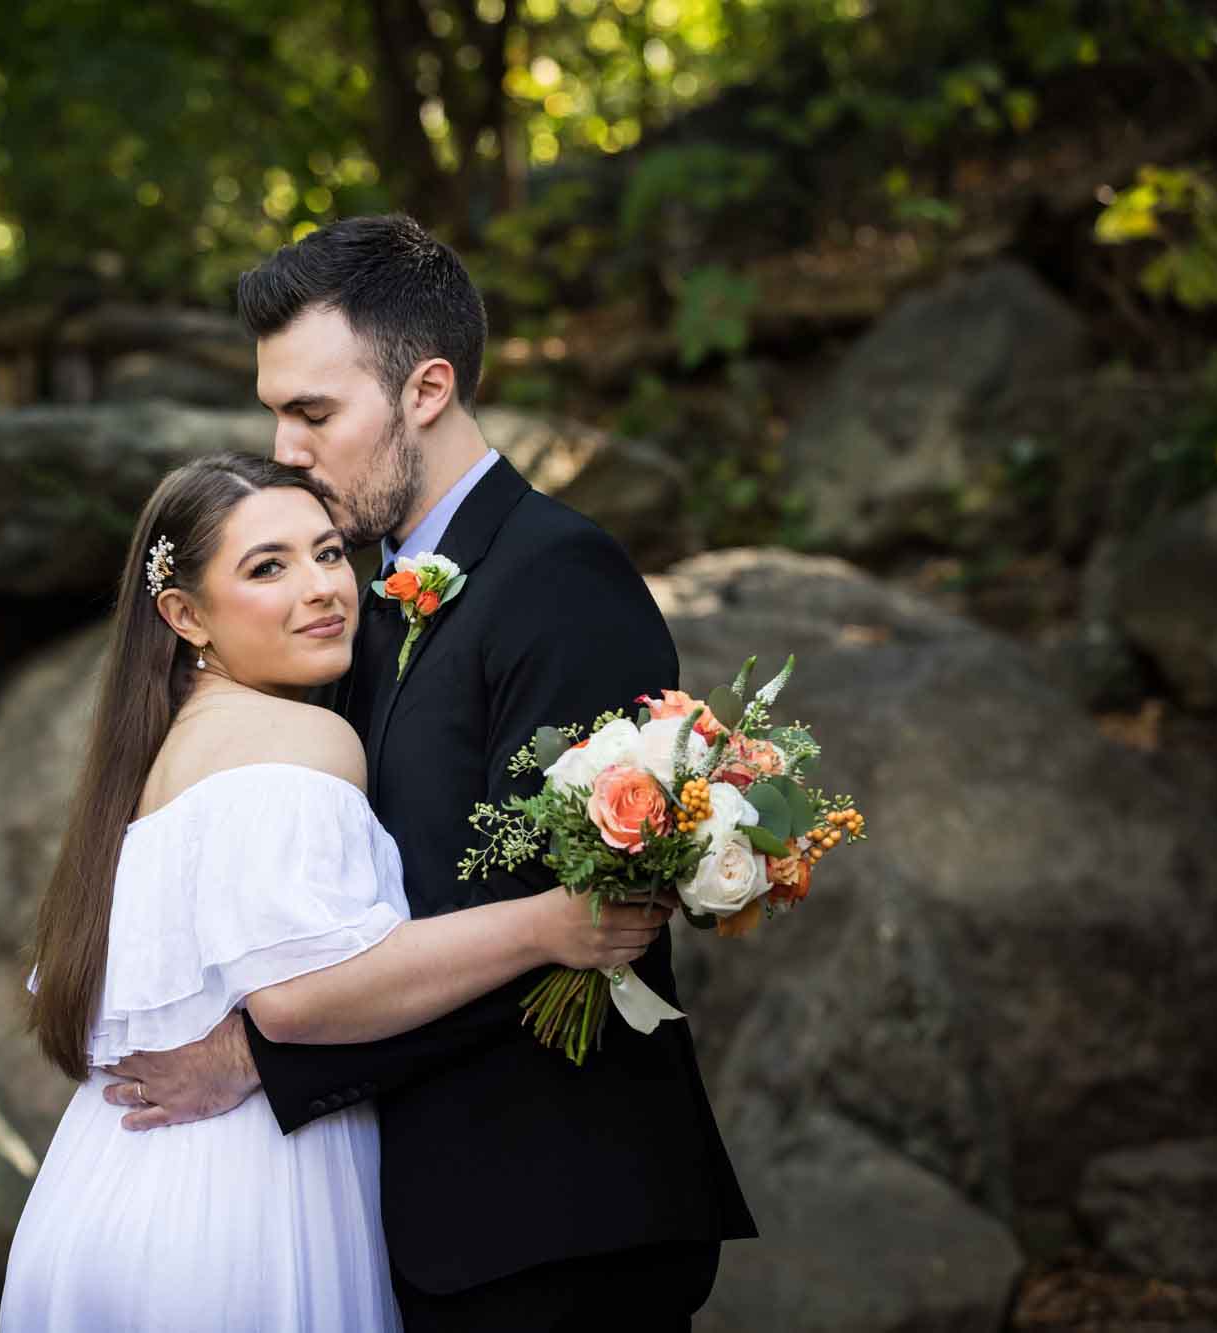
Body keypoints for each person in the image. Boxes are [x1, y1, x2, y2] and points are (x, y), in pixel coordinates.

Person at [98, 215, 756, 1331]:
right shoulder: (364, 600)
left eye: (312, 411)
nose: (286, 447)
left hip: (556, 1218)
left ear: (426, 388)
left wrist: (262, 1059)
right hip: (430, 1219)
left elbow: (569, 922)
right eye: (274, 412)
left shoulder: (560, 578)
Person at [0, 453, 668, 1331]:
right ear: (184, 614)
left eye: (326, 553)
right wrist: (549, 924)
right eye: (267, 567)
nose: (321, 587)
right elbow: (298, 996)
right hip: (240, 1217)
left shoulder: (149, 761)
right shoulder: (302, 737)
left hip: (104, 1197)